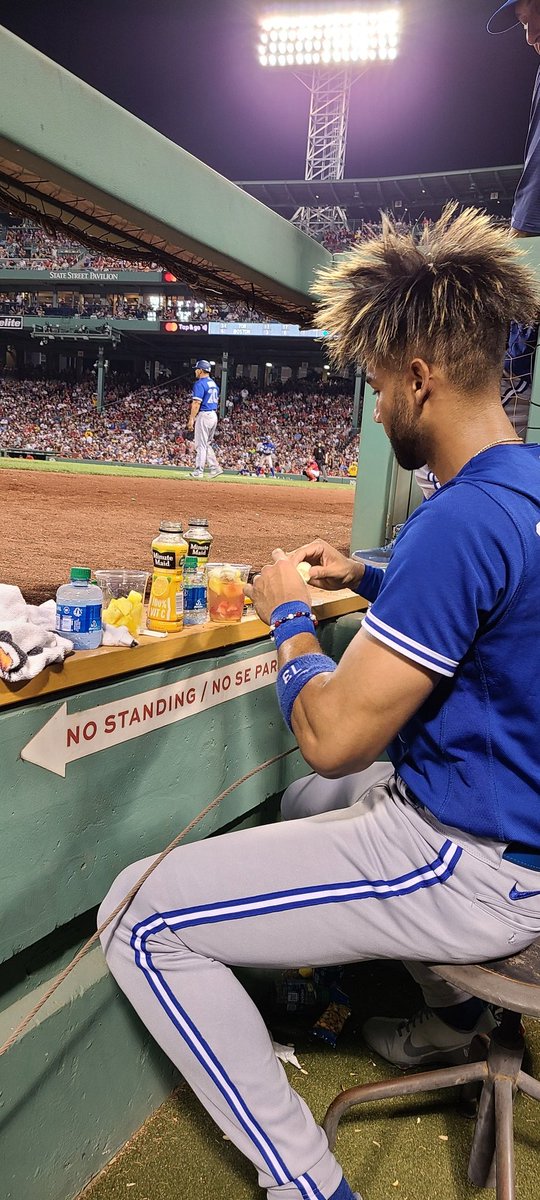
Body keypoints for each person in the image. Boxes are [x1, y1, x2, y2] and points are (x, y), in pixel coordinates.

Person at [98, 208, 540, 1200]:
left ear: (420, 376)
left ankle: (306, 1182)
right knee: (308, 807)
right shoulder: (524, 487)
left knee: (137, 913)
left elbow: (332, 737)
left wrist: (290, 620)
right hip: (524, 834)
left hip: (471, 865)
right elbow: (494, 595)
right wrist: (370, 572)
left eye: (379, 387)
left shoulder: (462, 519)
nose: (377, 411)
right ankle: (452, 1020)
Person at [187, 359, 223, 479]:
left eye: (197, 369)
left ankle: (199, 471)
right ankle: (215, 468)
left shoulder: (200, 384)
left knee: (200, 445)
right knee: (206, 444)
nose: (195, 371)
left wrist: (191, 419)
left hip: (204, 415)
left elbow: (196, 403)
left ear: (201, 370)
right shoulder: (213, 384)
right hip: (213, 415)